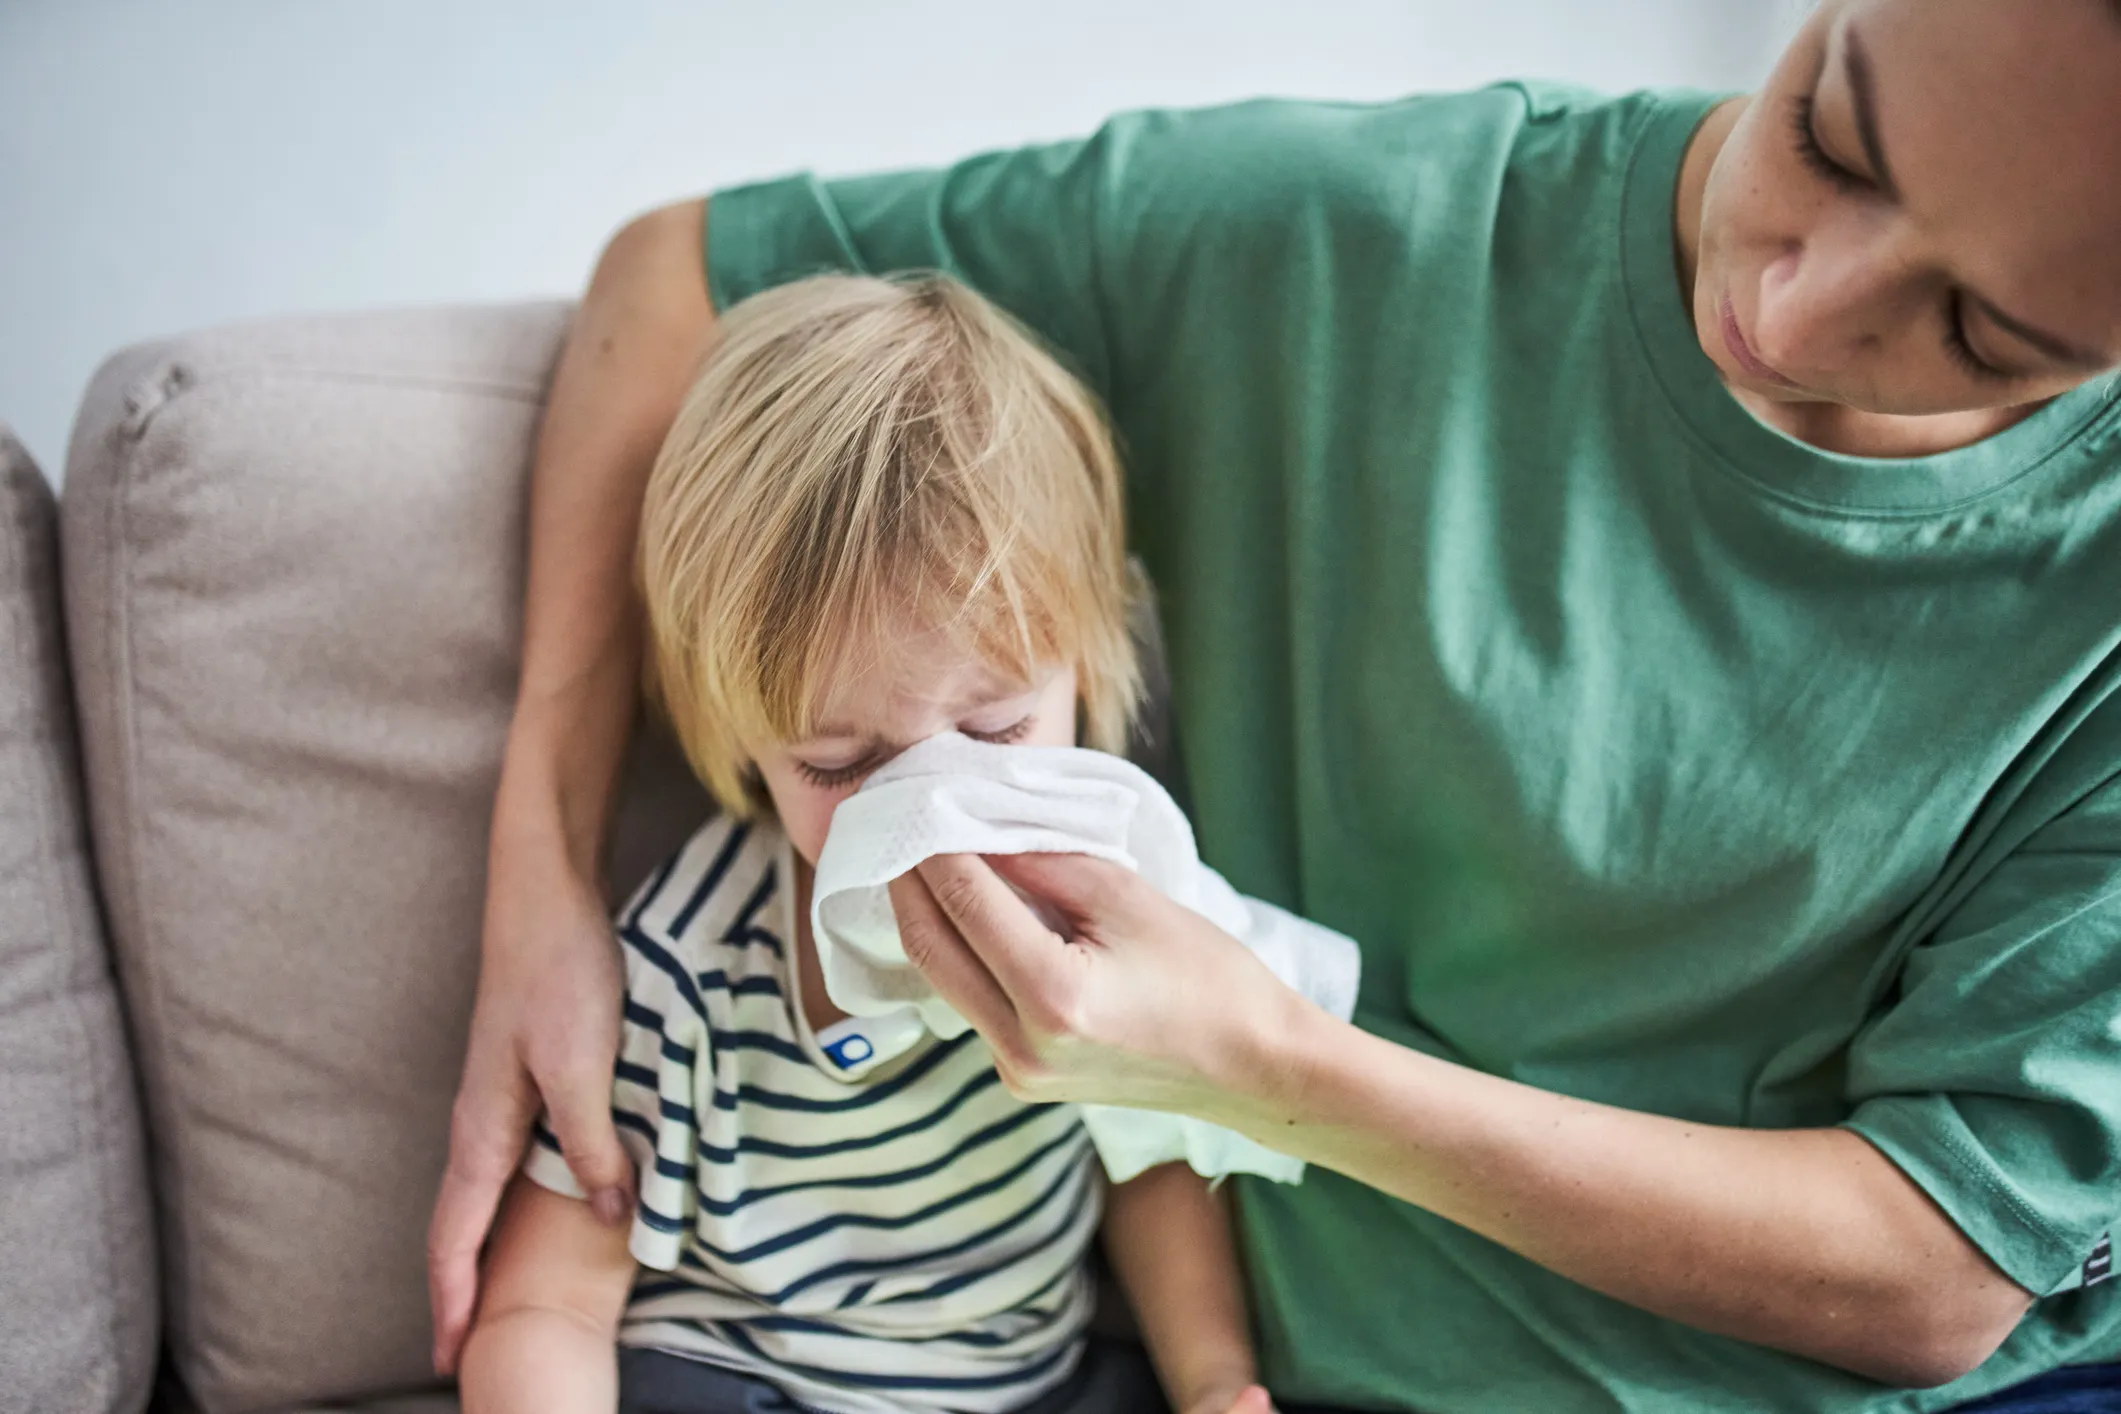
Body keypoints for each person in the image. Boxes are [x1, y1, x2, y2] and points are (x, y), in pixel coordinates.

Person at [429, 1, 2121, 1409]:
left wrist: (1263, 1068)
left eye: (1982, 325)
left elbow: (1937, 1274)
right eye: (1828, 133)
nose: (1789, 312)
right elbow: (676, 273)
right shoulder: (1351, 232)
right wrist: (536, 871)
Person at [456, 273, 1275, 1414]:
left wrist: (1213, 1378)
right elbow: (547, 1304)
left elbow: (1152, 1167)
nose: (927, 810)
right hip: (748, 1376)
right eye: (841, 764)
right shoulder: (687, 974)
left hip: (1031, 1380)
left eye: (995, 731)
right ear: (742, 736)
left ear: (1082, 672)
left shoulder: (1105, 908)